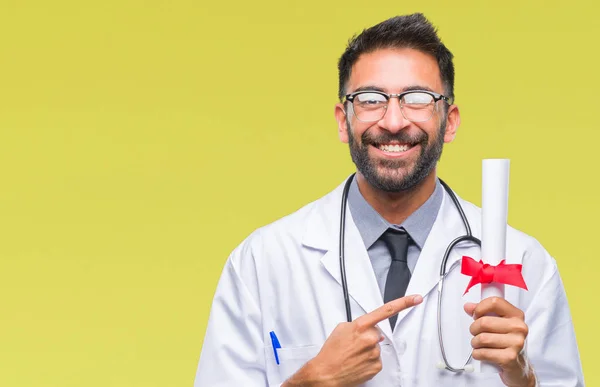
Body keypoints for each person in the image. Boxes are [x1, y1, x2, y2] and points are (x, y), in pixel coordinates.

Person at [194, 13, 584, 387]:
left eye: (416, 98)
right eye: (370, 99)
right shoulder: (263, 262)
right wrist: (310, 383)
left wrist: (523, 379)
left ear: (449, 121)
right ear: (342, 121)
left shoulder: (527, 264)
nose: (394, 121)